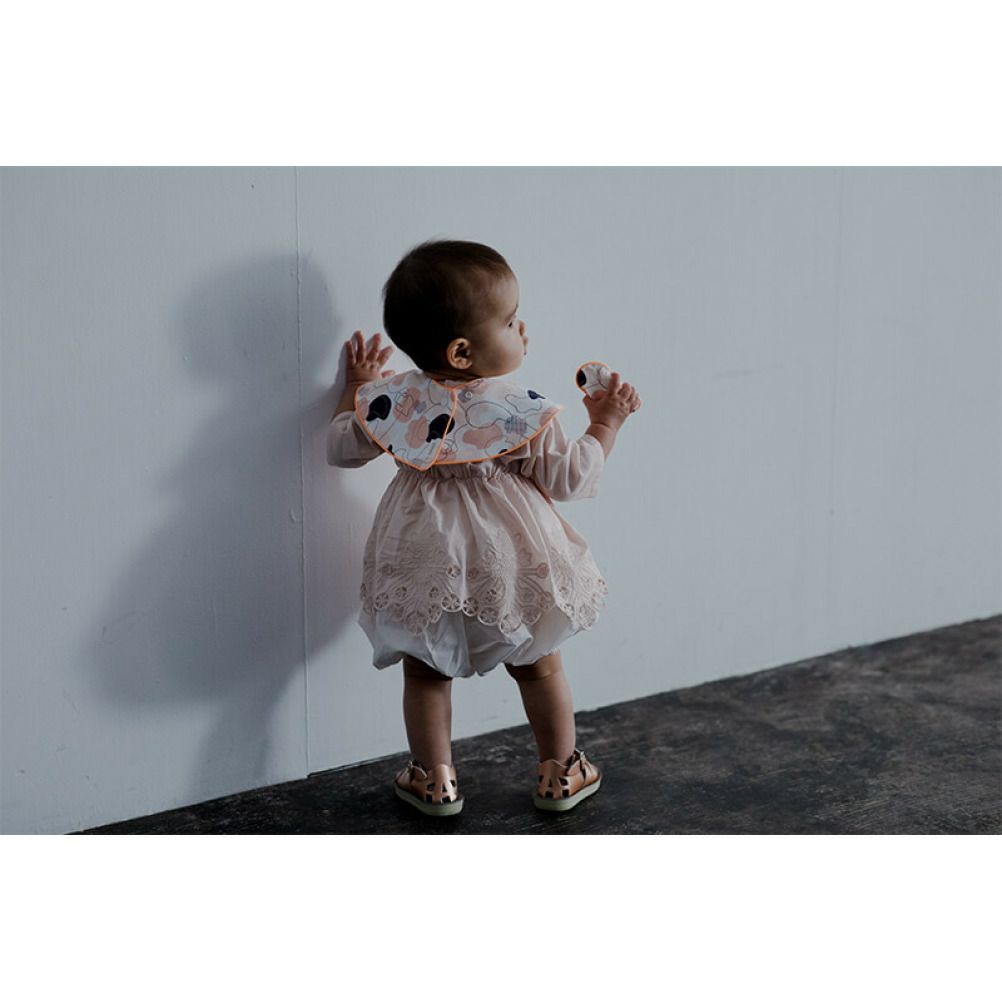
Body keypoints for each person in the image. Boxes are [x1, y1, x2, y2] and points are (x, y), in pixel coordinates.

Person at [327, 239, 641, 817]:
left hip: (425, 554)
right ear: (463, 351)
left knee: (426, 669)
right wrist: (606, 424)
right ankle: (560, 771)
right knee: (537, 660)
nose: (523, 330)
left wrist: (357, 386)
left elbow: (340, 448)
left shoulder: (393, 401)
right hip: (508, 557)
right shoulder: (522, 410)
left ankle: (435, 780)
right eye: (511, 320)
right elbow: (570, 478)